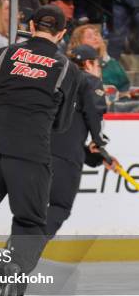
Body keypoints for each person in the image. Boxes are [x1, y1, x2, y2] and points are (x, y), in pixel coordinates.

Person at [0, 5, 79, 296]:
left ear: (30, 25)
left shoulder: (2, 56)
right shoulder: (66, 68)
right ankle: (13, 287)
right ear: (62, 33)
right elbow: (63, 124)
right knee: (30, 223)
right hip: (31, 153)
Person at [46, 44, 115, 239]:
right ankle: (21, 254)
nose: (99, 69)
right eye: (98, 64)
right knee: (59, 206)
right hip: (65, 157)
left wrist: (94, 156)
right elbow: (95, 115)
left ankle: (15, 249)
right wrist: (100, 144)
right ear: (88, 63)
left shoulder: (54, 79)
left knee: (35, 210)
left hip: (36, 150)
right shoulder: (91, 81)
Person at [68, 24, 131, 98]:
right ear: (78, 41)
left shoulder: (112, 63)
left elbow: (125, 87)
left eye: (97, 34)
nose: (95, 38)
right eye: (89, 36)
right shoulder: (73, 65)